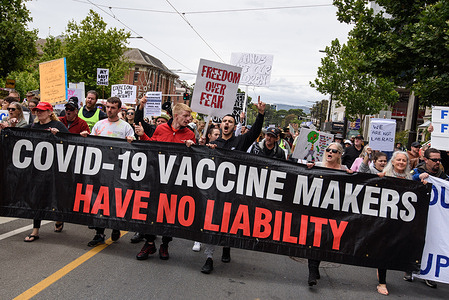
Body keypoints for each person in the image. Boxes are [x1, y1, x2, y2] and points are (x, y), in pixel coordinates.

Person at [200, 97, 266, 274]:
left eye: (230, 121)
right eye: (224, 121)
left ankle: (227, 245)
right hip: (214, 190)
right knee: (213, 222)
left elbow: (254, 132)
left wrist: (260, 114)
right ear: (220, 126)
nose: (227, 123)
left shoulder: (240, 142)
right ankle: (209, 257)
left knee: (229, 221)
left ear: (234, 126)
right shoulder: (213, 144)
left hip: (234, 191)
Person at [135, 102, 195, 260]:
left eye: (189, 116)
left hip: (175, 182)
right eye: (186, 116)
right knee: (150, 209)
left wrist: (193, 148)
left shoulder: (190, 134)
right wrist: (142, 135)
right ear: (176, 116)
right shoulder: (161, 129)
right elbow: (153, 147)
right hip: (156, 178)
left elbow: (194, 160)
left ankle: (165, 244)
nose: (189, 119)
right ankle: (149, 243)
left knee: (169, 213)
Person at [80, 97, 135, 247]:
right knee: (99, 200)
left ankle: (116, 226)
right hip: (100, 170)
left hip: (117, 171)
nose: (109, 110)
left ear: (119, 110)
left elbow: (133, 148)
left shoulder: (125, 127)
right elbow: (91, 143)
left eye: (112, 107)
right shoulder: (99, 125)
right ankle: (99, 233)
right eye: (108, 107)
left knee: (115, 200)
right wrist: (86, 136)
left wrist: (131, 141)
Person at [305, 142, 351, 286]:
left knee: (325, 240)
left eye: (334, 151)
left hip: (334, 213)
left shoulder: (344, 169)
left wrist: (352, 176)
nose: (330, 152)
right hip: (316, 210)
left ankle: (316, 267)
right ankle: (312, 271)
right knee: (314, 238)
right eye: (328, 150)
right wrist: (307, 169)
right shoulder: (317, 165)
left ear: (339, 155)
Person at [23, 102, 70, 242]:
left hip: (55, 169)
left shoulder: (58, 125)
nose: (38, 113)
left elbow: (70, 141)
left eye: (42, 111)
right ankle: (35, 231)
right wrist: (8, 128)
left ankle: (58, 218)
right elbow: (18, 133)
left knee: (54, 195)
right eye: (37, 110)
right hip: (37, 169)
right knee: (37, 197)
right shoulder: (33, 126)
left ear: (50, 112)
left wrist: (59, 136)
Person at [405, 147, 448, 289]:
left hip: (435, 217)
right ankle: (410, 269)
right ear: (426, 160)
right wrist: (418, 179)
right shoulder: (417, 171)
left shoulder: (443, 177)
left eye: (439, 160)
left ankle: (428, 274)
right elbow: (406, 181)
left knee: (432, 241)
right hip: (417, 215)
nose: (437, 162)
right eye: (434, 160)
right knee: (415, 241)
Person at [376, 151, 412, 295]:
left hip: (401, 221)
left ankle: (380, 268)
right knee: (384, 249)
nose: (401, 162)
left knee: (393, 249)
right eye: (399, 160)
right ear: (393, 161)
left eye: (404, 160)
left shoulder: (411, 179)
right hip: (384, 220)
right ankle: (382, 283)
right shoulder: (384, 176)